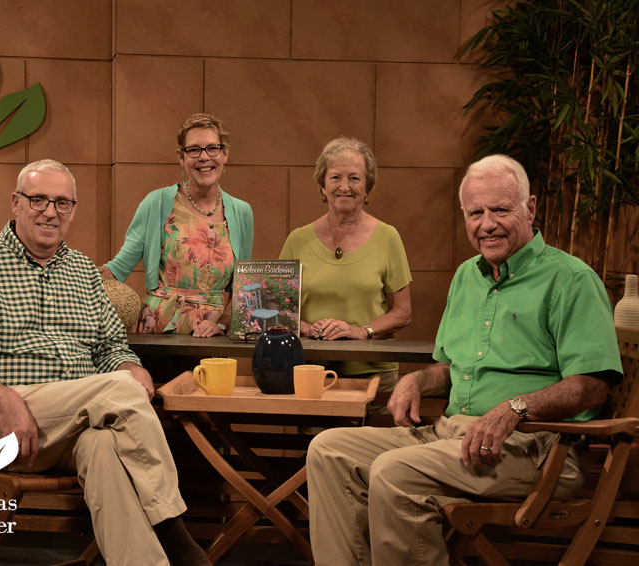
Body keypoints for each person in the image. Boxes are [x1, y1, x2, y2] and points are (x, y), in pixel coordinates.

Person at [306, 154, 624, 566]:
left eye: (500, 210)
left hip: (536, 449)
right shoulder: (466, 277)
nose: (486, 223)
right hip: (451, 435)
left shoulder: (571, 280)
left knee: (394, 472)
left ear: (529, 209)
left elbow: (592, 384)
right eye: (475, 212)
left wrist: (515, 409)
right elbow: (450, 369)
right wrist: (416, 382)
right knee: (329, 450)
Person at [0, 160, 211, 566]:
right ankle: (179, 539)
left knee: (105, 445)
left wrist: (130, 365)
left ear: (73, 211)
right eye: (38, 199)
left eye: (62, 203)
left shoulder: (83, 271)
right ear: (16, 203)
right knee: (119, 391)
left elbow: (111, 346)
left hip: (78, 425)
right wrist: (2, 397)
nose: (50, 211)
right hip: (10, 426)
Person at [279, 136, 411, 395]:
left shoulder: (388, 237)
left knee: (371, 438)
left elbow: (403, 312)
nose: (345, 187)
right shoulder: (298, 240)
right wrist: (307, 328)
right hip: (310, 371)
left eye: (354, 178)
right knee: (312, 438)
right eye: (336, 177)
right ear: (322, 185)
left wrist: (361, 331)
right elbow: (277, 308)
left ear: (367, 186)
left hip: (374, 374)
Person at [101, 113, 253, 337]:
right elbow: (118, 268)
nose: (204, 157)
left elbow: (242, 287)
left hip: (212, 337)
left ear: (225, 153)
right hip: (157, 332)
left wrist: (222, 324)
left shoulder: (242, 212)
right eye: (194, 150)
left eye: (212, 148)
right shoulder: (156, 202)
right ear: (181, 157)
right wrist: (74, 277)